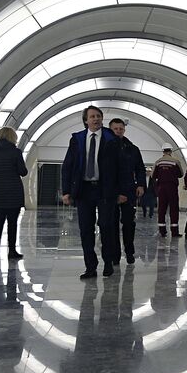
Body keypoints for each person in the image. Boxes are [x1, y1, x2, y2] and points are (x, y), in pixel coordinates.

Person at [61, 105, 133, 279]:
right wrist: (66, 191)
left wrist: (123, 191)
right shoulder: (77, 139)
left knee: (107, 227)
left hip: (105, 190)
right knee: (85, 229)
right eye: (92, 116)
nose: (96, 119)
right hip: (84, 190)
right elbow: (68, 166)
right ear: (86, 120)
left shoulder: (112, 139)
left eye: (98, 116)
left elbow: (122, 167)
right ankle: (90, 267)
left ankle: (108, 262)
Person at [0, 126, 28, 259]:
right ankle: (11, 251)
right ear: (12, 137)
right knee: (12, 223)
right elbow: (23, 171)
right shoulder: (16, 152)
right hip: (14, 191)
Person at [107, 118, 147, 264]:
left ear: (124, 130)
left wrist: (141, 185)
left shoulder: (132, 149)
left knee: (129, 223)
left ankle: (129, 252)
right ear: (110, 130)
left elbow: (140, 169)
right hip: (110, 191)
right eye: (115, 129)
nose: (118, 131)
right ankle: (114, 255)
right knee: (111, 224)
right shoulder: (104, 147)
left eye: (120, 129)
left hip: (129, 190)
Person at [152, 146, 183, 237]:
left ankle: (162, 231)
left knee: (161, 209)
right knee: (174, 209)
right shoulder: (176, 161)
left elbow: (153, 176)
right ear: (171, 151)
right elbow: (181, 174)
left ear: (163, 151)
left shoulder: (158, 162)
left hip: (161, 187)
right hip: (172, 187)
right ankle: (174, 232)